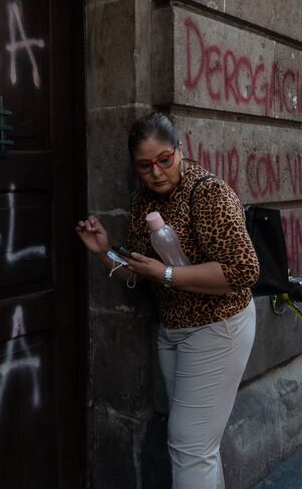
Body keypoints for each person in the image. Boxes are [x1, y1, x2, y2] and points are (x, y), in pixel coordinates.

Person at [76, 112, 259, 489]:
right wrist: (103, 251)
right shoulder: (142, 202)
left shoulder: (207, 192)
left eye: (165, 159)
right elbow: (139, 271)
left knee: (189, 446)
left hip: (219, 328)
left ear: (179, 149)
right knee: (197, 447)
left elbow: (244, 271)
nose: (156, 171)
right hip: (174, 331)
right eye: (145, 165)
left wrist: (168, 274)